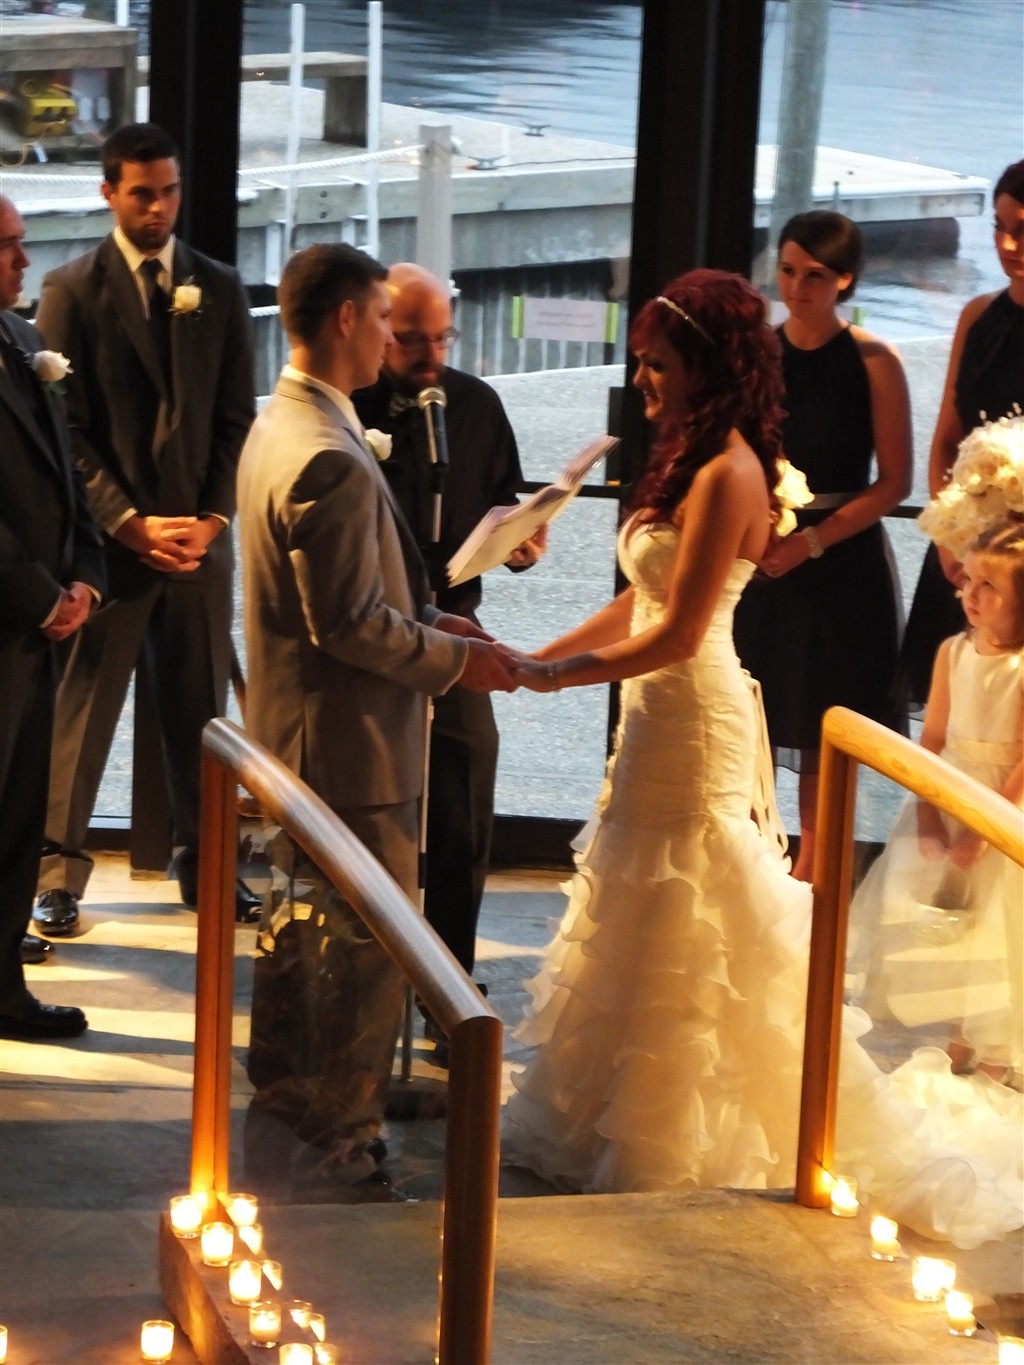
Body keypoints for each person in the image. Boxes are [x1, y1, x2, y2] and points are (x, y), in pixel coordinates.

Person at [501, 271, 1022, 1247]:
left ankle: (689, 1122)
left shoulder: (731, 473)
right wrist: (534, 656)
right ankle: (604, 1101)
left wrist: (550, 677)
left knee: (700, 902)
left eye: (658, 363)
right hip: (651, 716)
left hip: (692, 711)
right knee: (637, 896)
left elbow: (677, 630)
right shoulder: (685, 460)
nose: (642, 378)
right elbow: (640, 601)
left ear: (705, 365)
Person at [236, 243, 519, 1196]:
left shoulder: (280, 422)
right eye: (385, 320)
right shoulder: (328, 453)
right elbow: (350, 624)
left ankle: (290, 1106)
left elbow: (352, 593)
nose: (394, 340)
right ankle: (342, 1143)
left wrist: (436, 618)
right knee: (358, 964)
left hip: (298, 739)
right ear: (350, 318)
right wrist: (455, 659)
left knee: (298, 943)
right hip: (350, 754)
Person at [31, 122, 259, 936]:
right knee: (82, 714)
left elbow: (237, 419)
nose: (158, 207)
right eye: (141, 194)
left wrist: (212, 520)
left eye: (168, 191)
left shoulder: (219, 288)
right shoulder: (70, 290)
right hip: (110, 550)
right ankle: (56, 876)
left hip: (197, 548)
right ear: (109, 193)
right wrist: (127, 523)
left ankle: (210, 872)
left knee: (202, 717)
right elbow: (64, 430)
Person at [353, 262, 544, 990]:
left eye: (441, 338)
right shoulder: (351, 404)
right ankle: (373, 975)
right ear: (379, 328)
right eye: (410, 339)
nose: (429, 354)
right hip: (373, 637)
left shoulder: (476, 404)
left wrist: (522, 543)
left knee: (464, 798)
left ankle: (450, 977)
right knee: (372, 814)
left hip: (456, 630)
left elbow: (503, 502)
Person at [732, 210, 912, 881]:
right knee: (751, 722)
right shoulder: (755, 357)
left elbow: (894, 482)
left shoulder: (874, 360)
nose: (797, 288)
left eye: (814, 276)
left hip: (842, 565)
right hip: (761, 557)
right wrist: (756, 537)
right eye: (787, 271)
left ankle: (815, 894)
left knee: (823, 733)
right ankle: (752, 884)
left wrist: (809, 542)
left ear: (845, 280)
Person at [849, 519, 1023, 1089]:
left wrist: (987, 829)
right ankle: (959, 1035)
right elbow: (933, 739)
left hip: (1003, 807)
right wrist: (928, 814)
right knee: (951, 923)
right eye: (968, 580)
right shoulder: (952, 652)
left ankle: (997, 1052)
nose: (970, 594)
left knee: (1001, 927)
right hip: (950, 791)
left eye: (989, 586)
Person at [0, 194, 105, 1039]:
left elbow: (68, 473)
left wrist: (87, 578)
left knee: (17, 819)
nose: (23, 261)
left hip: (36, 637)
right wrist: (41, 595)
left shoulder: (24, 339)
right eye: (8, 247)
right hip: (9, 619)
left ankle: (3, 986)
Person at [900, 160, 1024, 707]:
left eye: (1022, 229)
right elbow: (946, 440)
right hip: (964, 544)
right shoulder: (977, 315)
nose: (1008, 245)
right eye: (999, 227)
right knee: (954, 712)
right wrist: (950, 537)